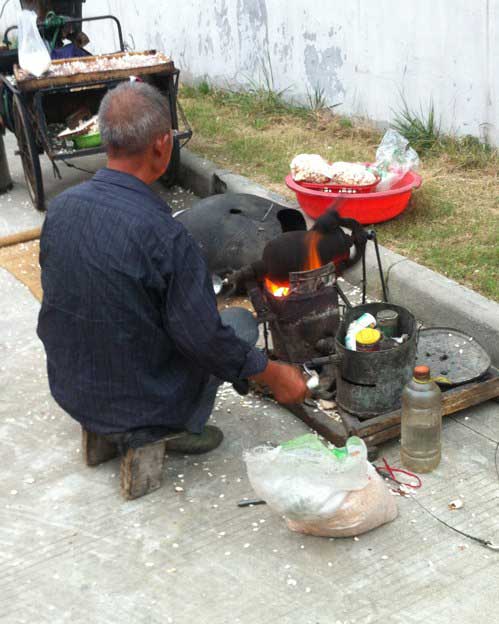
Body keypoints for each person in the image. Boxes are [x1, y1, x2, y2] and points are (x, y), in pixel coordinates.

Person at [37, 81, 307, 457]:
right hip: (145, 406)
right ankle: (175, 427)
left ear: (106, 139)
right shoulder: (166, 236)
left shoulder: (62, 209)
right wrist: (272, 373)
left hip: (72, 387)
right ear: (162, 145)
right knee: (239, 325)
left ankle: (110, 425)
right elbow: (205, 339)